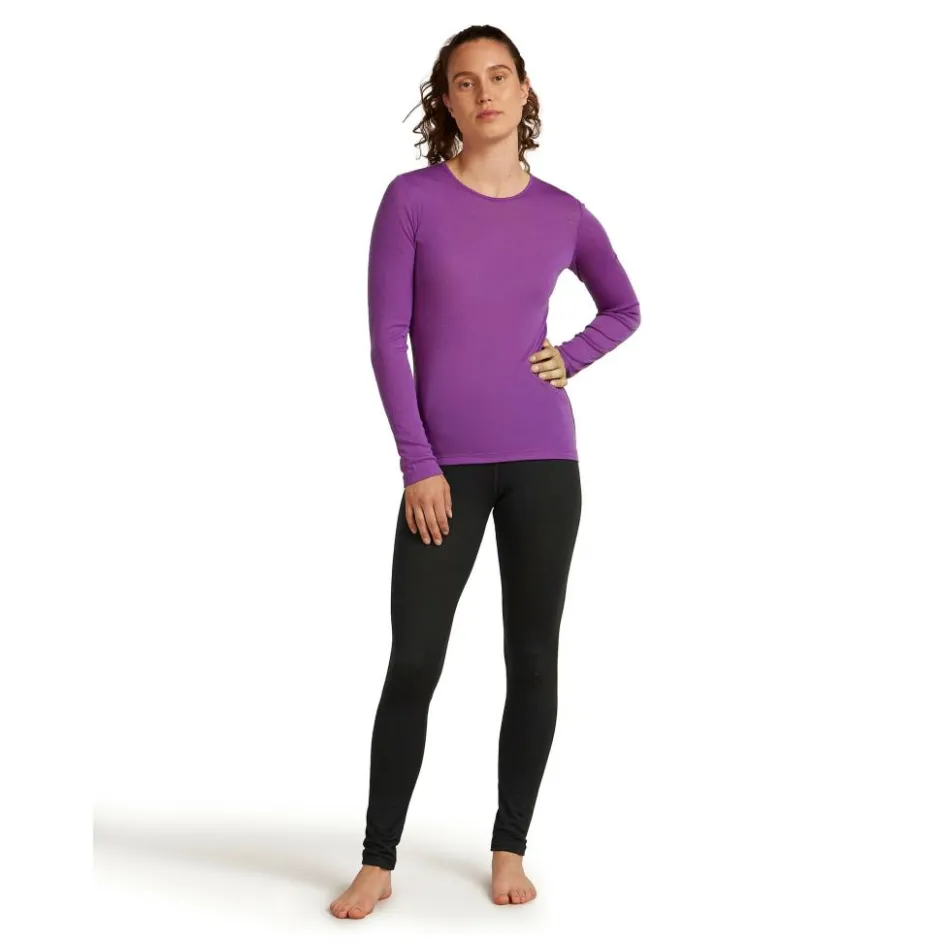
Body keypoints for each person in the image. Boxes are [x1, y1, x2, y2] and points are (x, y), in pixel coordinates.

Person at [329, 24, 640, 919]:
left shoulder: (564, 214)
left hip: (545, 462)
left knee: (533, 659)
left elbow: (623, 307)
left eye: (500, 76)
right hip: (444, 472)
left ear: (525, 90)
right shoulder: (412, 200)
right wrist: (417, 463)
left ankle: (510, 847)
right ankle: (378, 859)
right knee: (416, 659)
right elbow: (387, 338)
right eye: (465, 82)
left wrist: (570, 357)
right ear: (447, 102)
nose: (486, 92)